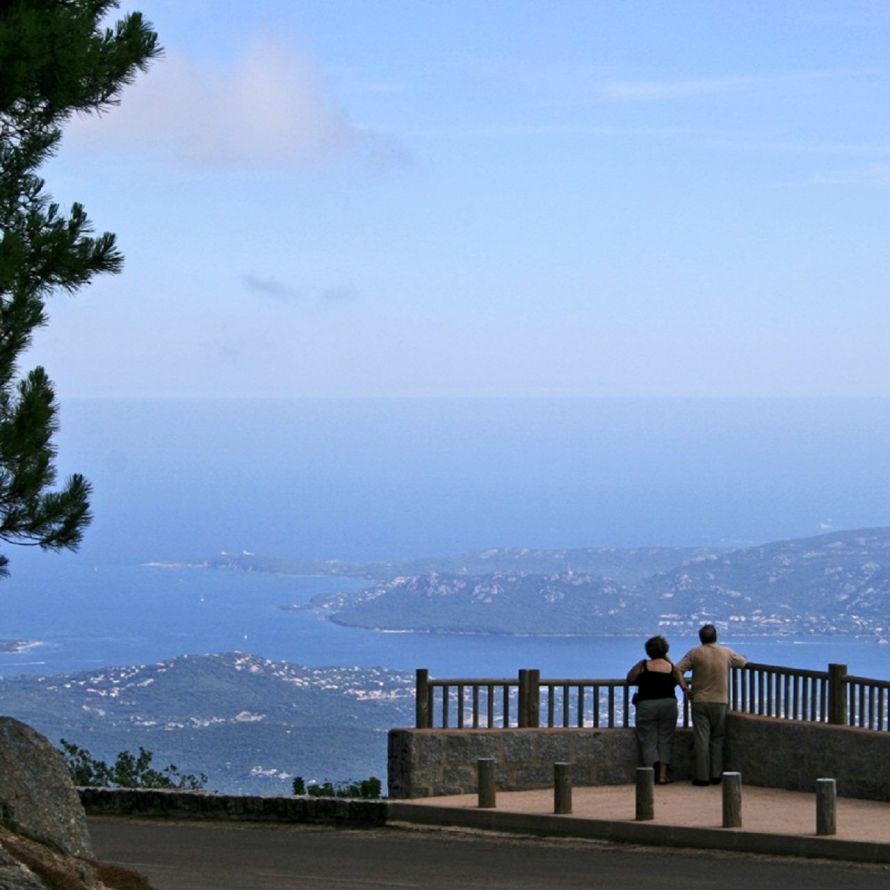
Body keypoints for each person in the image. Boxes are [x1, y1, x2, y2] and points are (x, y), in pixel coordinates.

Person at [676, 624, 747, 786]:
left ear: (701, 638)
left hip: (700, 700)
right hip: (720, 701)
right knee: (717, 738)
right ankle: (716, 775)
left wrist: (685, 688)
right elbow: (742, 662)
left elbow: (677, 669)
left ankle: (702, 777)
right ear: (716, 637)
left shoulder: (695, 653)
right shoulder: (726, 652)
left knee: (702, 739)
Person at [626, 635, 688, 785]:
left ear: (648, 650)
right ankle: (663, 776)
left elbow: (630, 678)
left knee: (648, 739)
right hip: (668, 704)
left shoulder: (643, 665)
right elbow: (678, 673)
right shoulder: (671, 668)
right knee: (665, 739)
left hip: (647, 704)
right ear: (665, 650)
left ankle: (649, 774)